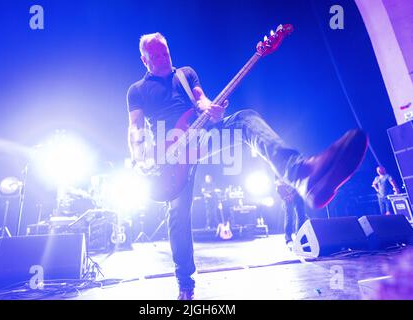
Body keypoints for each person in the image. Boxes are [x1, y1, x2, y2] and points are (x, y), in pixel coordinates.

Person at [126, 32, 368, 300]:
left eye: (165, 53)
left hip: (200, 137)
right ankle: (185, 284)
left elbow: (201, 100)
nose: (162, 59)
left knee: (244, 119)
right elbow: (135, 128)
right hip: (168, 158)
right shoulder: (136, 91)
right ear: (143, 60)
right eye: (155, 56)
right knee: (178, 216)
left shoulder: (185, 74)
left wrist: (211, 109)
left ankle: (301, 175)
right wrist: (141, 157)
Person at [275, 178, 307, 248]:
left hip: (297, 192)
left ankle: (300, 237)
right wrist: (284, 195)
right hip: (286, 193)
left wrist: (295, 193)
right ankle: (288, 239)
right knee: (289, 215)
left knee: (301, 215)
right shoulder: (281, 167)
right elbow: (277, 182)